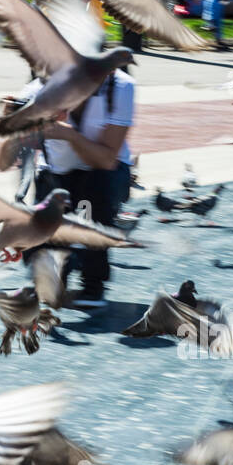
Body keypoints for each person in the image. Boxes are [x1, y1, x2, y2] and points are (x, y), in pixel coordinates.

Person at [28, 67, 135, 309]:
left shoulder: (120, 87)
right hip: (58, 172)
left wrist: (71, 136)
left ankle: (93, 279)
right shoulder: (43, 88)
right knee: (50, 214)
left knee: (96, 190)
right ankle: (56, 271)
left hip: (106, 172)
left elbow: (107, 160)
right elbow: (57, 165)